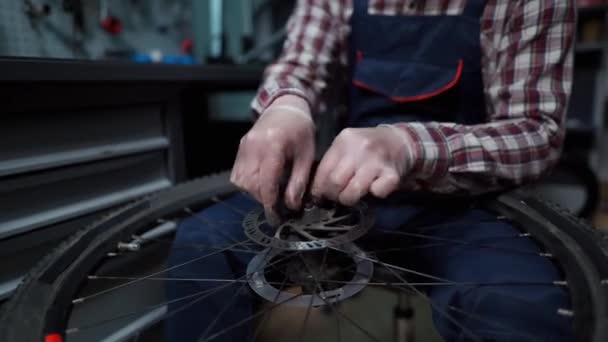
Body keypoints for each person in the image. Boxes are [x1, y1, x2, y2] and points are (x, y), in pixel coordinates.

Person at [166, 0, 576, 341]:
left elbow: (536, 133)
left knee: (517, 306)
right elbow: (301, 63)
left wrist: (408, 146)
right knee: (203, 243)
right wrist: (286, 105)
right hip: (342, 198)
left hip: (466, 205)